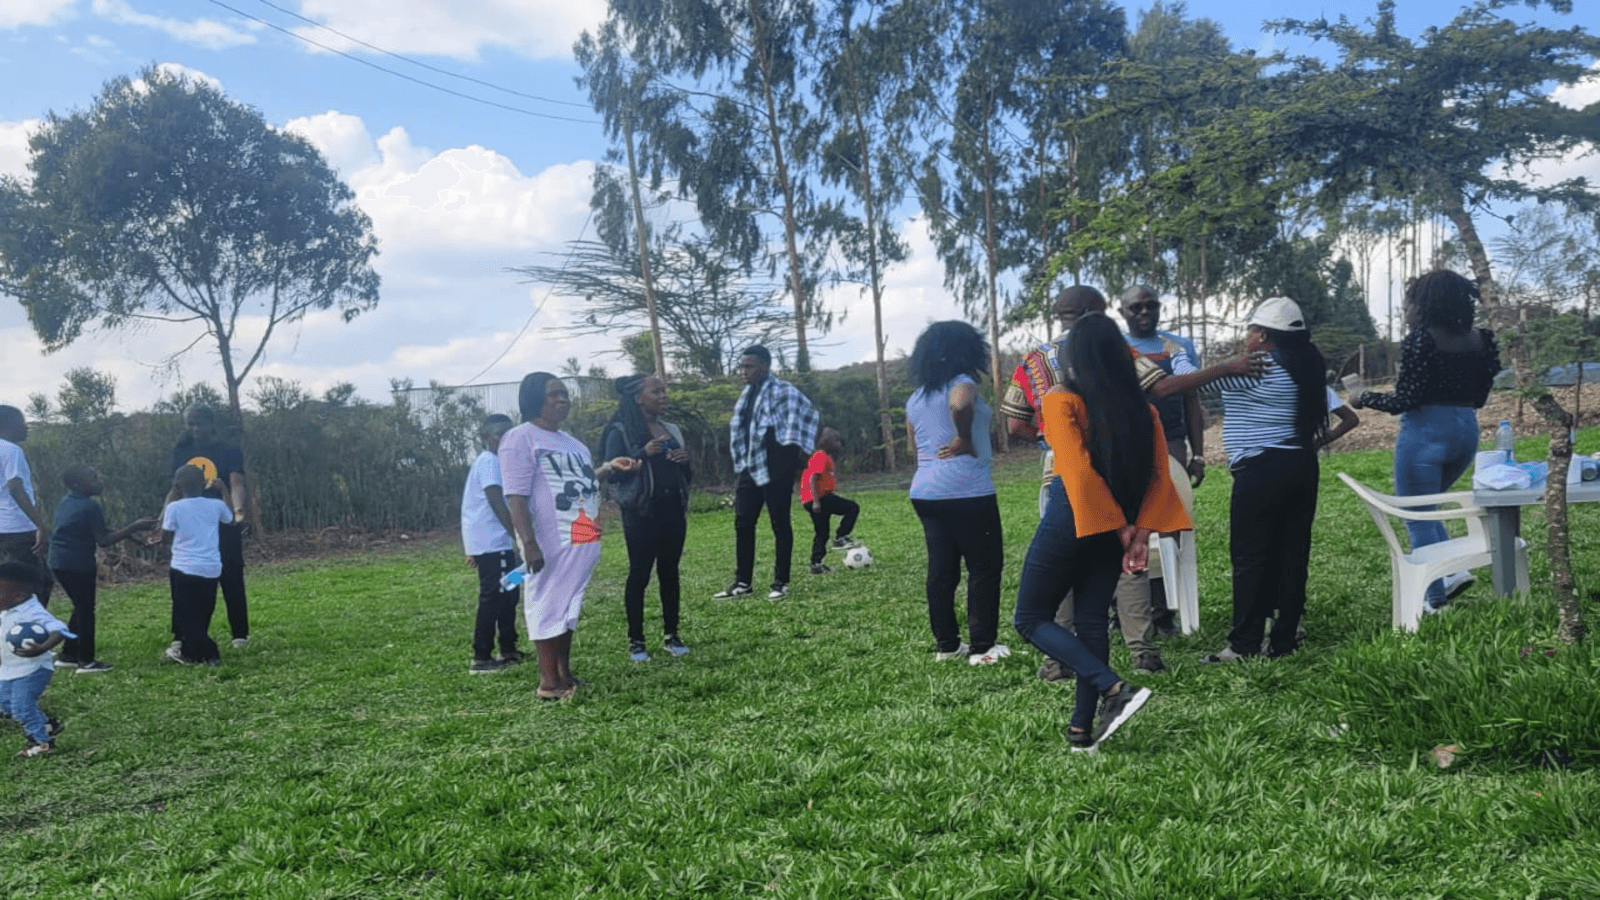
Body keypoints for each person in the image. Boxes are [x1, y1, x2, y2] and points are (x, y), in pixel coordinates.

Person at [1012, 312, 1191, 751]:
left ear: (1074, 357)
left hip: (1073, 515)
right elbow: (1159, 477)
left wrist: (1122, 530)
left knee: (1029, 618)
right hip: (1116, 522)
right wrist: (1138, 532)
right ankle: (1081, 732)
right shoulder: (1144, 410)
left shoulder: (1060, 401)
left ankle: (1114, 689)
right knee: (1091, 621)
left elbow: (1077, 473)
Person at [1206, 297, 1359, 662]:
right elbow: (1350, 418)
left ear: (1261, 335)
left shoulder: (1251, 369)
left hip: (1259, 469)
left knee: (1251, 557)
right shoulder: (1307, 370)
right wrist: (1315, 442)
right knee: (1293, 553)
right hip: (1302, 465)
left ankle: (1244, 645)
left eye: (1250, 331)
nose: (1247, 338)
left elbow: (1193, 383)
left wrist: (1180, 354)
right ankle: (1284, 639)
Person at [1350, 269, 1502, 611]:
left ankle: (1436, 598)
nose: (1406, 310)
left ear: (1427, 304)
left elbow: (1405, 400)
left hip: (1425, 434)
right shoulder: (1484, 339)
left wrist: (1363, 397)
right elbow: (1480, 397)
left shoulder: (1421, 340)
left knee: (1415, 515)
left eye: (1410, 303)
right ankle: (1452, 573)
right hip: (1466, 431)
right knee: (1425, 509)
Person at [501, 373, 615, 702]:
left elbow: (582, 483)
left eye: (565, 393)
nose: (562, 399)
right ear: (533, 398)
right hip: (548, 541)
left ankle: (564, 673)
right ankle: (549, 682)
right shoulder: (519, 438)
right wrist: (528, 543)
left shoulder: (574, 444)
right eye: (553, 394)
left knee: (568, 606)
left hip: (583, 537)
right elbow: (516, 497)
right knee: (546, 603)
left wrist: (609, 468)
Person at [906, 321, 1008, 666]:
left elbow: (913, 445)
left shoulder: (916, 397)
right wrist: (963, 438)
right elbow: (960, 404)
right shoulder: (962, 381)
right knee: (984, 567)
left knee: (941, 570)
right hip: (967, 488)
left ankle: (947, 646)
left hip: (925, 490)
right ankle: (983, 648)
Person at [715, 345, 820, 601]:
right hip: (750, 466)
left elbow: (803, 418)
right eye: (741, 367)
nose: (743, 371)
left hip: (776, 468)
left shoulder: (784, 391)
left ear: (764, 366)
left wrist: (788, 459)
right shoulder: (747, 395)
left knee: (779, 522)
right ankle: (742, 582)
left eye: (749, 366)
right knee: (743, 523)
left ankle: (780, 582)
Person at [600, 375, 693, 663]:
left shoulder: (671, 429)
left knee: (670, 572)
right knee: (639, 574)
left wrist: (684, 460)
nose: (664, 396)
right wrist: (643, 453)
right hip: (641, 512)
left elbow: (686, 474)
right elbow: (612, 474)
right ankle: (636, 641)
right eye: (656, 391)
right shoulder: (620, 431)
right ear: (639, 398)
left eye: (664, 391)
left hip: (672, 510)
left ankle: (672, 635)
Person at [48, 464, 157, 673]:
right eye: (93, 479)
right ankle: (86, 661)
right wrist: (135, 526)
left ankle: (69, 655)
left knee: (80, 607)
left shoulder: (67, 501)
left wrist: (134, 537)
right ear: (77, 484)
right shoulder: (90, 506)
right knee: (85, 610)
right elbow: (104, 540)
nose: (99, 482)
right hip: (77, 563)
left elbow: (99, 530)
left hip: (58, 561)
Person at [166, 405, 250, 648]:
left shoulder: (229, 449)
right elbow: (174, 489)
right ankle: (181, 635)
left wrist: (238, 512)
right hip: (190, 523)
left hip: (221, 518)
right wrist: (163, 518)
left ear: (211, 424)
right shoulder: (181, 450)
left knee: (231, 575)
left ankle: (240, 634)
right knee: (183, 578)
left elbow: (236, 483)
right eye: (190, 424)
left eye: (199, 424)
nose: (194, 429)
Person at [460, 414, 524, 674]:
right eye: (500, 435)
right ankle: (482, 656)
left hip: (502, 545)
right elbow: (496, 501)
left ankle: (508, 647)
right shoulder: (489, 461)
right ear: (486, 437)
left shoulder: (499, 462)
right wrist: (518, 535)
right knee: (493, 596)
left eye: (510, 435)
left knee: (511, 591)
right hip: (494, 544)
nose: (505, 440)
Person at [161, 464, 233, 666]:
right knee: (203, 612)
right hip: (211, 568)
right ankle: (190, 650)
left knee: (185, 613)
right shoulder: (216, 505)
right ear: (205, 483)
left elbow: (166, 536)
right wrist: (224, 491)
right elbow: (230, 519)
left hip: (183, 567)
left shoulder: (174, 508)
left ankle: (209, 653)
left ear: (177, 486)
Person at [0, 561, 71, 757]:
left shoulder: (32, 612)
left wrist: (42, 647)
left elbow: (60, 629)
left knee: (21, 707)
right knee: (4, 703)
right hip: (9, 670)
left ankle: (41, 743)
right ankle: (46, 724)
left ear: (20, 595)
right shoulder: (7, 608)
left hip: (32, 669)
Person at [0, 405, 52, 605]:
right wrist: (40, 525)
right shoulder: (12, 450)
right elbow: (15, 487)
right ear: (7, 425)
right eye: (21, 421)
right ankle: (28, 623)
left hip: (3, 529)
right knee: (36, 586)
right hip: (17, 529)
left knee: (13, 585)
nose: (26, 427)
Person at [801, 426, 861, 575]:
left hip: (813, 498)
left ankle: (816, 564)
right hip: (818, 498)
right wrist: (816, 501)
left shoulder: (824, 456)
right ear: (827, 441)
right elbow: (812, 478)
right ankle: (841, 537)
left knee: (822, 533)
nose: (839, 443)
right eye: (836, 440)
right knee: (852, 508)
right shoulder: (820, 456)